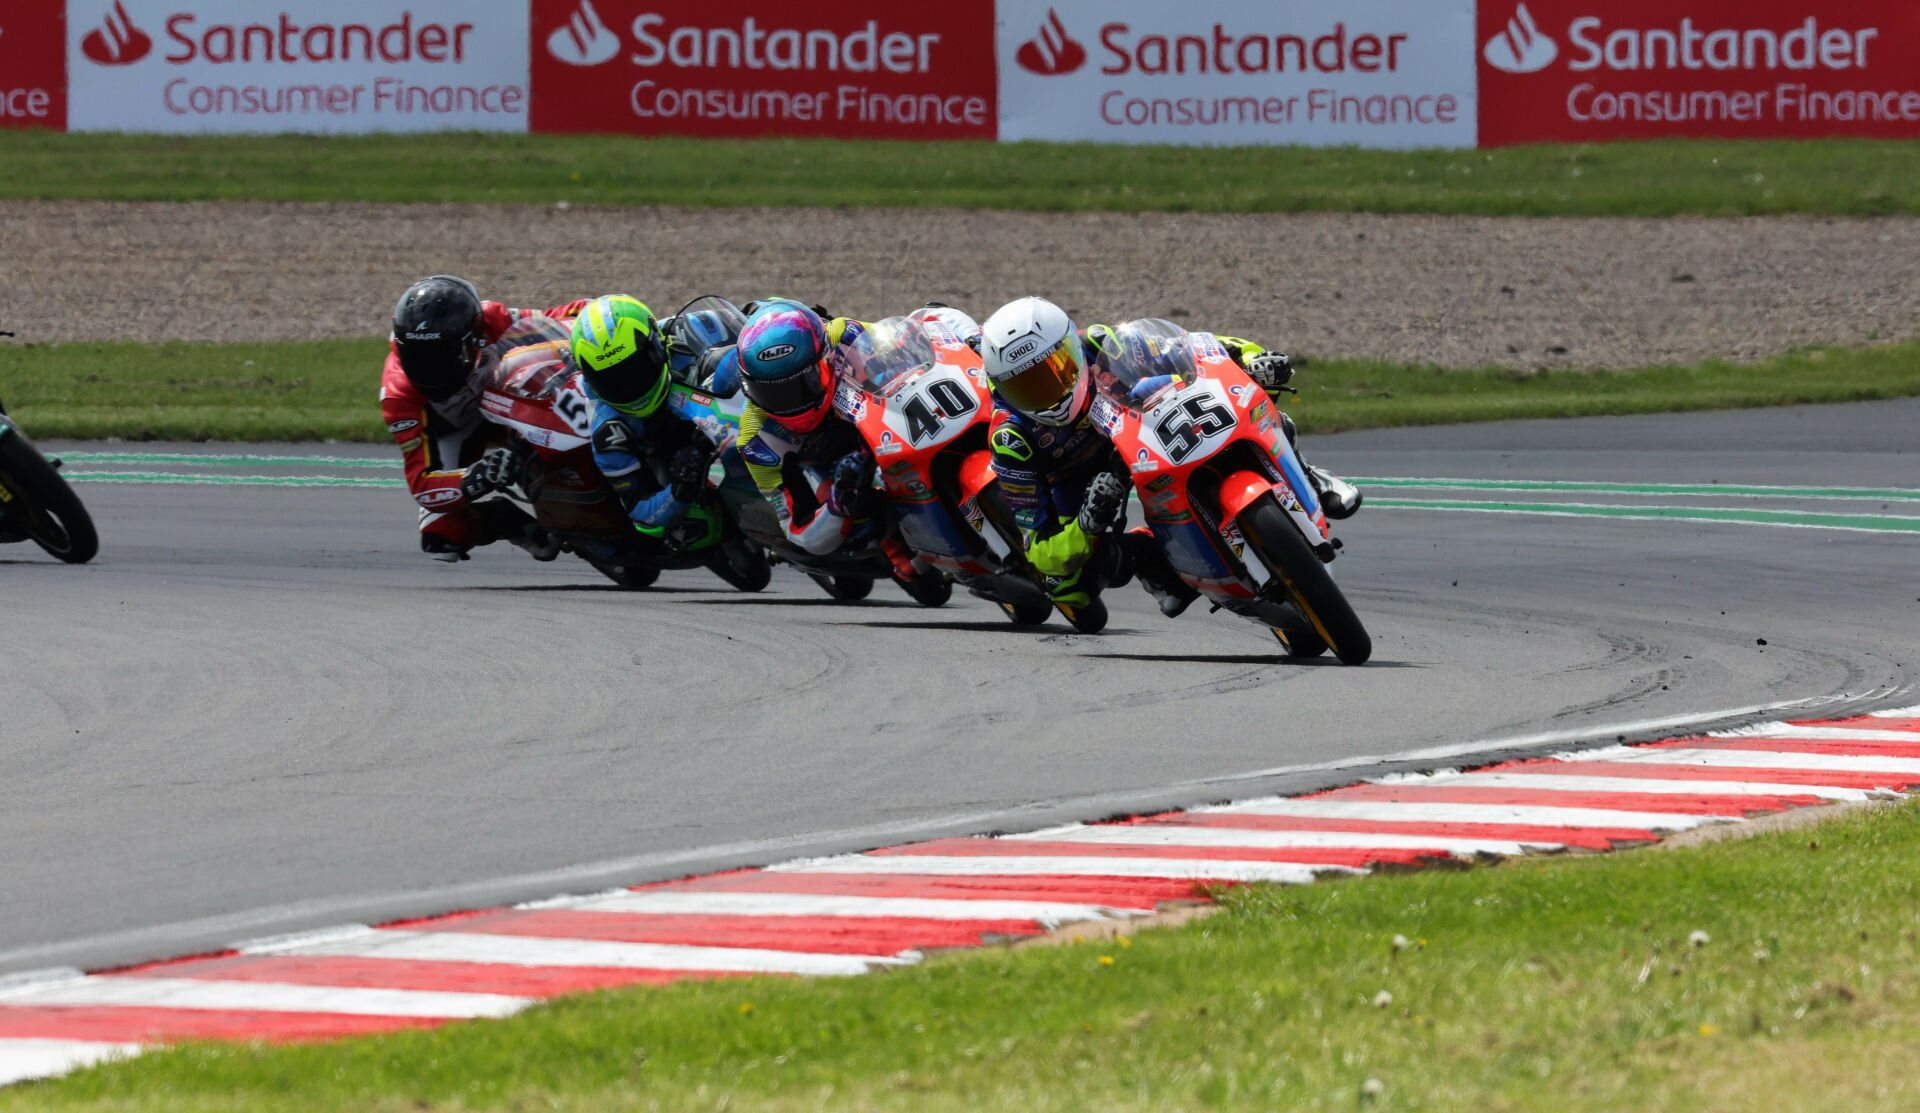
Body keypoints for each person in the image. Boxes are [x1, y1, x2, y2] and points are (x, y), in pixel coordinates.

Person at [980, 296, 1360, 620]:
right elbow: (1040, 551)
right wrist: (1087, 520)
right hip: (1078, 485)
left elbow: (1196, 347)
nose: (1049, 393)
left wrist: (1252, 356)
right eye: (1025, 386)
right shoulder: (1010, 438)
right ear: (1000, 388)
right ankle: (1161, 568)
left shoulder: (1100, 343)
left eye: (1054, 371)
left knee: (1248, 405)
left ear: (1073, 349)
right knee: (1067, 586)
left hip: (1140, 433)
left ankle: (1309, 475)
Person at [380, 275, 588, 562]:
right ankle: (508, 521)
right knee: (441, 534)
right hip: (456, 432)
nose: (430, 369)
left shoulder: (489, 319)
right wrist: (479, 476)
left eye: (441, 356)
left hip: (509, 403)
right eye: (417, 356)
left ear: (472, 336)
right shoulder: (397, 395)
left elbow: (561, 317)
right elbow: (423, 486)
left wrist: (601, 313)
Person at [710, 299, 918, 580]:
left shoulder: (842, 335)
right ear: (748, 387)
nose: (789, 402)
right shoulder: (754, 441)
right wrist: (839, 500)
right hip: (831, 463)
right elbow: (796, 528)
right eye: (771, 394)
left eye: (800, 385)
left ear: (824, 358)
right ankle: (892, 543)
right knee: (853, 524)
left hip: (882, 423)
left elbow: (910, 350)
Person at [571, 294, 727, 549]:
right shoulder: (609, 433)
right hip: (676, 463)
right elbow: (639, 509)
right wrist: (680, 489)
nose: (629, 387)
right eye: (612, 381)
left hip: (728, 417)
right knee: (684, 531)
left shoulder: (686, 332)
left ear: (656, 343)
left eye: (636, 370)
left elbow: (749, 321)